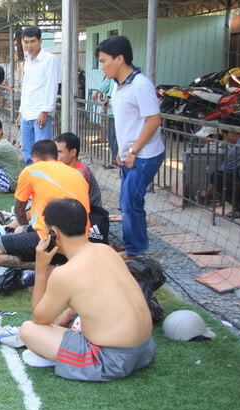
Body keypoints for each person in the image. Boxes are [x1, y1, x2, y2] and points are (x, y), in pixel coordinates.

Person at [16, 198, 156, 382]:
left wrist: (41, 269)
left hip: (111, 360)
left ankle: (67, 360)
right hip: (145, 350)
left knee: (28, 331)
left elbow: (40, 319)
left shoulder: (64, 274)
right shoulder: (106, 250)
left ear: (54, 232)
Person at [96, 35, 165, 260]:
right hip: (130, 155)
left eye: (104, 61)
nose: (102, 66)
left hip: (144, 155)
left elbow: (153, 120)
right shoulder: (117, 87)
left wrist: (134, 151)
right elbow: (127, 122)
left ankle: (135, 251)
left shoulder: (140, 85)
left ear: (119, 59)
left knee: (129, 201)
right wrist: (121, 151)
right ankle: (134, 246)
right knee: (128, 201)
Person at [0, 139, 89, 270]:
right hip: (81, 242)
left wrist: (24, 225)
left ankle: (48, 267)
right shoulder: (77, 174)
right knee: (21, 230)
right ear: (56, 156)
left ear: (34, 159)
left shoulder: (31, 171)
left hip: (52, 240)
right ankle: (62, 263)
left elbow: (19, 209)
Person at [15, 26, 60, 164]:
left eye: (32, 41)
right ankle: (31, 181)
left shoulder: (49, 60)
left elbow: (52, 86)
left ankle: (43, 183)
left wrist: (45, 110)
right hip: (27, 113)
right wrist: (21, 112)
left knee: (42, 153)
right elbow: (27, 88)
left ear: (40, 41)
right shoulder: (28, 61)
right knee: (27, 152)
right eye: (26, 42)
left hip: (41, 114)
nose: (29, 45)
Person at [53, 132, 102, 208]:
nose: (55, 155)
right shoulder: (63, 167)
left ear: (73, 152)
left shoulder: (80, 173)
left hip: (84, 214)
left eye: (59, 152)